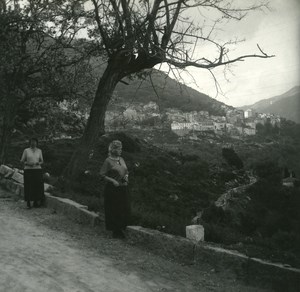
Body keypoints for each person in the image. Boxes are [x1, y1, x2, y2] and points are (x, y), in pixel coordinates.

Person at [100, 140, 130, 239]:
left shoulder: (121, 159)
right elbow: (102, 175)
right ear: (114, 150)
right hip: (112, 189)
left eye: (121, 148)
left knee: (123, 208)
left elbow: (126, 171)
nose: (121, 150)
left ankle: (121, 229)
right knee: (114, 209)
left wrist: (126, 178)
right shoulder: (108, 161)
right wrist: (113, 181)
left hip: (123, 187)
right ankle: (115, 231)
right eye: (119, 149)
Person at [20, 138, 45, 209]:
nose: (33, 143)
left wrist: (38, 163)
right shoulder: (26, 150)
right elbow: (22, 160)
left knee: (37, 185)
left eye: (34, 142)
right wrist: (27, 163)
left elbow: (42, 161)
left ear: (37, 143)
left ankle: (36, 202)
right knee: (29, 185)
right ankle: (28, 202)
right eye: (32, 142)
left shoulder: (39, 151)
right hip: (28, 170)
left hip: (37, 170)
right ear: (30, 143)